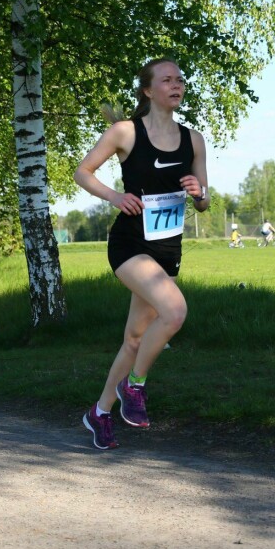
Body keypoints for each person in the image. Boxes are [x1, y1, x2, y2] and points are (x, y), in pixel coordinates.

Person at [73, 58, 209, 450]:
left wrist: (199, 194)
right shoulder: (125, 132)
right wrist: (115, 196)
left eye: (180, 79)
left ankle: (98, 413)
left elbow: (203, 201)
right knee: (175, 312)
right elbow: (83, 172)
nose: (176, 84)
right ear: (148, 91)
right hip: (131, 245)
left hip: (167, 248)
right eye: (167, 79)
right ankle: (134, 386)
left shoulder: (193, 139)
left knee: (134, 340)